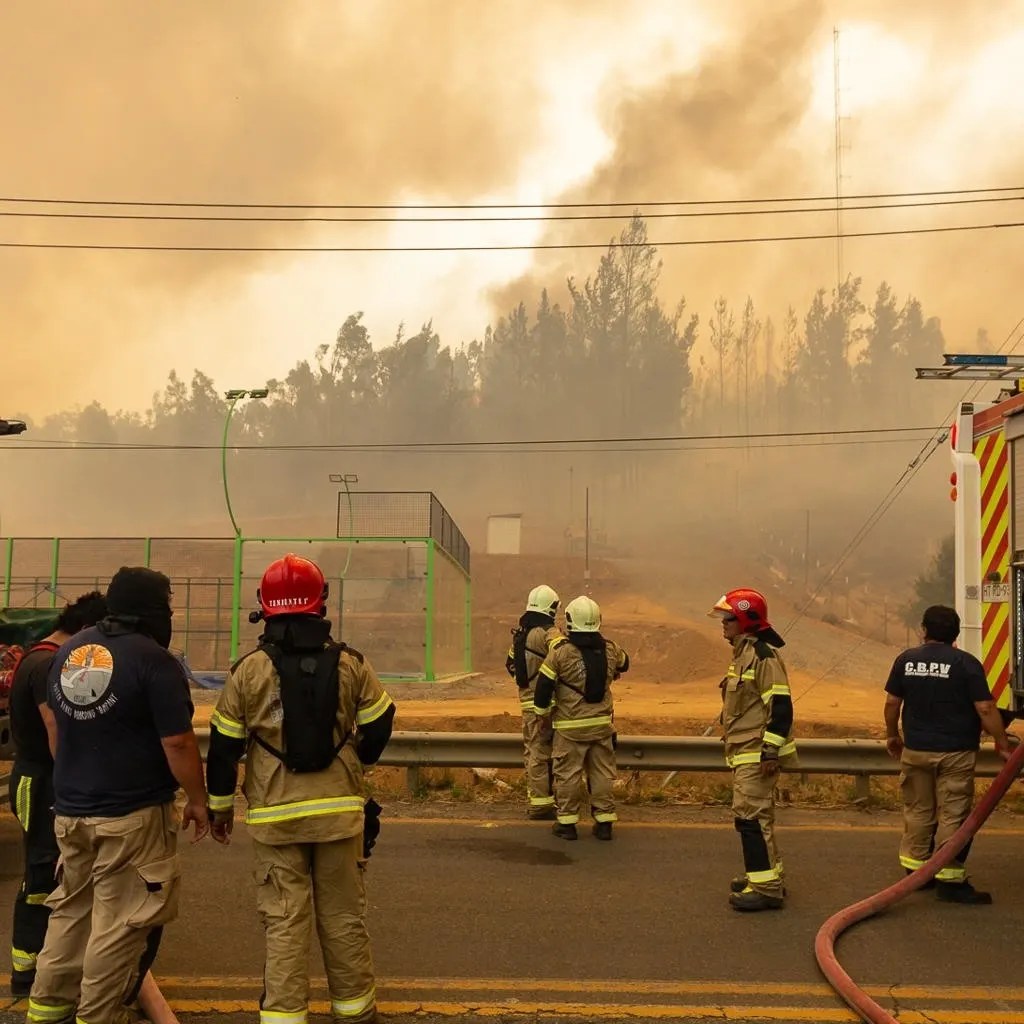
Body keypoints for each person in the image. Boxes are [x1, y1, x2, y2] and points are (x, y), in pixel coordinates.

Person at [206, 553, 395, 1024]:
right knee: (343, 919)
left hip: (275, 818)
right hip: (339, 815)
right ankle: (354, 1012)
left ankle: (285, 1016)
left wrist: (220, 809)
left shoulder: (247, 671)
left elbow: (224, 747)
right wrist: (362, 758)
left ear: (264, 606)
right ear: (321, 601)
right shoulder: (351, 663)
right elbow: (380, 719)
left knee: (285, 921)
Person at [26, 568, 210, 1024]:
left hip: (71, 812)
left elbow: (59, 733)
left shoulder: (70, 651)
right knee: (120, 924)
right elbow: (179, 743)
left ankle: (47, 1009)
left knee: (69, 913)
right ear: (154, 611)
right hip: (129, 815)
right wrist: (198, 799)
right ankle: (99, 1016)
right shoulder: (153, 660)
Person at [884, 604, 1014, 904]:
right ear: (955, 633)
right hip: (955, 753)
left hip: (915, 750)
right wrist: (1001, 743)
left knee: (918, 810)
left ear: (924, 630)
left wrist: (893, 735)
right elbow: (985, 708)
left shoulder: (906, 660)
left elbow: (893, 703)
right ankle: (950, 878)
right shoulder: (966, 664)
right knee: (953, 814)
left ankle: (916, 873)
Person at [709, 588, 795, 912]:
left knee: (750, 818)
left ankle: (766, 890)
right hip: (746, 750)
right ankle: (766, 876)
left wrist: (770, 751)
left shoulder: (762, 657)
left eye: (727, 618)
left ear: (745, 619)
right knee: (758, 818)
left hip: (757, 753)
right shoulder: (742, 655)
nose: (723, 624)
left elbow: (782, 707)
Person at [532, 595, 628, 841]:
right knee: (602, 774)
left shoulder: (560, 653)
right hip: (602, 726)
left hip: (569, 729)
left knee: (568, 775)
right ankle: (604, 823)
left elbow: (543, 688)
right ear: (598, 620)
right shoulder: (610, 648)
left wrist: (542, 714)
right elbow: (625, 663)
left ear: (571, 621)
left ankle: (566, 824)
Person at [504, 585, 563, 820]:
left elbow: (510, 665)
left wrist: (528, 683)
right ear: (551, 608)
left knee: (534, 752)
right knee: (551, 752)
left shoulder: (521, 635)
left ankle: (538, 799)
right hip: (548, 704)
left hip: (527, 703)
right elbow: (565, 656)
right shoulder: (548, 633)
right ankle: (545, 803)